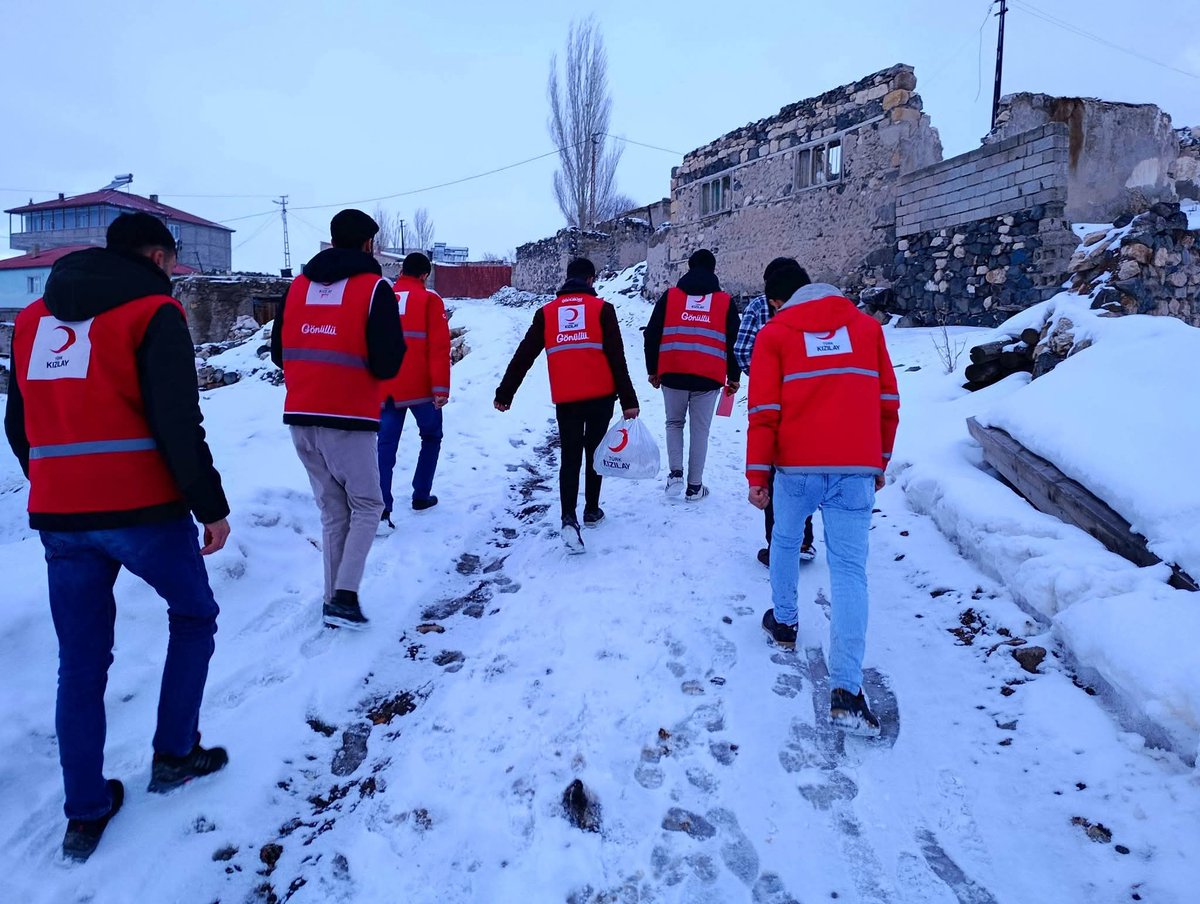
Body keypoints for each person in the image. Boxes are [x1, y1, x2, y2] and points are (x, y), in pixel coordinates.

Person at [4, 212, 231, 862]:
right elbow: (177, 421)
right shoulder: (153, 313)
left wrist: (55, 479)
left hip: (60, 516)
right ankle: (174, 754)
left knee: (79, 664)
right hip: (144, 510)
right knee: (194, 614)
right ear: (159, 258)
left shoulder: (30, 321)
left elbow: (18, 422)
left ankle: (84, 811)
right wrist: (209, 506)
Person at [746, 263, 900, 736]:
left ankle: (785, 622)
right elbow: (887, 402)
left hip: (795, 468)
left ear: (779, 300)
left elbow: (764, 410)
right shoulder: (867, 328)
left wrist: (757, 474)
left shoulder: (775, 333)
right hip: (855, 466)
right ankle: (847, 692)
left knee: (786, 540)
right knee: (850, 570)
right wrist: (880, 460)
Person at [272, 209, 404, 628]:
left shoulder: (295, 288)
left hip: (300, 415)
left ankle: (332, 598)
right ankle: (345, 597)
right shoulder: (373, 289)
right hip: (348, 417)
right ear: (368, 244)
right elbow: (387, 362)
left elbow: (278, 352)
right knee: (368, 504)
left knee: (333, 509)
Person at [494, 257, 639, 553]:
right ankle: (592, 510)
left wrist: (505, 393)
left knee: (570, 456)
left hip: (567, 399)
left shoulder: (547, 313)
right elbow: (617, 358)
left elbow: (524, 355)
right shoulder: (602, 310)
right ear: (591, 280)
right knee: (596, 452)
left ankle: (568, 518)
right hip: (601, 397)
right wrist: (629, 401)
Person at [734, 257, 816, 567]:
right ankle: (805, 539)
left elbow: (742, 350)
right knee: (802, 468)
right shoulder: (819, 311)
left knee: (771, 470)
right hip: (807, 399)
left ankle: (778, 543)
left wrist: (763, 378)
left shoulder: (757, 308)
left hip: (772, 401)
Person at [643, 248, 740, 501]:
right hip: (708, 377)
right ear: (713, 270)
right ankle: (695, 487)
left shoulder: (671, 297)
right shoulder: (725, 301)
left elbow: (651, 333)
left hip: (673, 372)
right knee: (700, 431)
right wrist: (734, 376)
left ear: (689, 268)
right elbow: (734, 342)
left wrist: (653, 370)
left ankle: (675, 475)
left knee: (674, 423)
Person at [377, 252, 450, 525]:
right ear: (424, 275)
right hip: (421, 387)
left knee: (385, 446)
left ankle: (382, 509)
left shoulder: (382, 297)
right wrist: (441, 388)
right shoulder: (430, 299)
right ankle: (421, 495)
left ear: (402, 271)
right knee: (431, 437)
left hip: (387, 387)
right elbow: (440, 348)